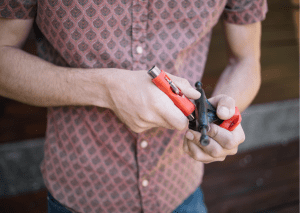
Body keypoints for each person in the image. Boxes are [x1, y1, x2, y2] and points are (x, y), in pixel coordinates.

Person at [0, 0, 267, 212]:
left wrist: (221, 118)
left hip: (179, 188)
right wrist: (106, 89)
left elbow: (246, 61)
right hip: (80, 193)